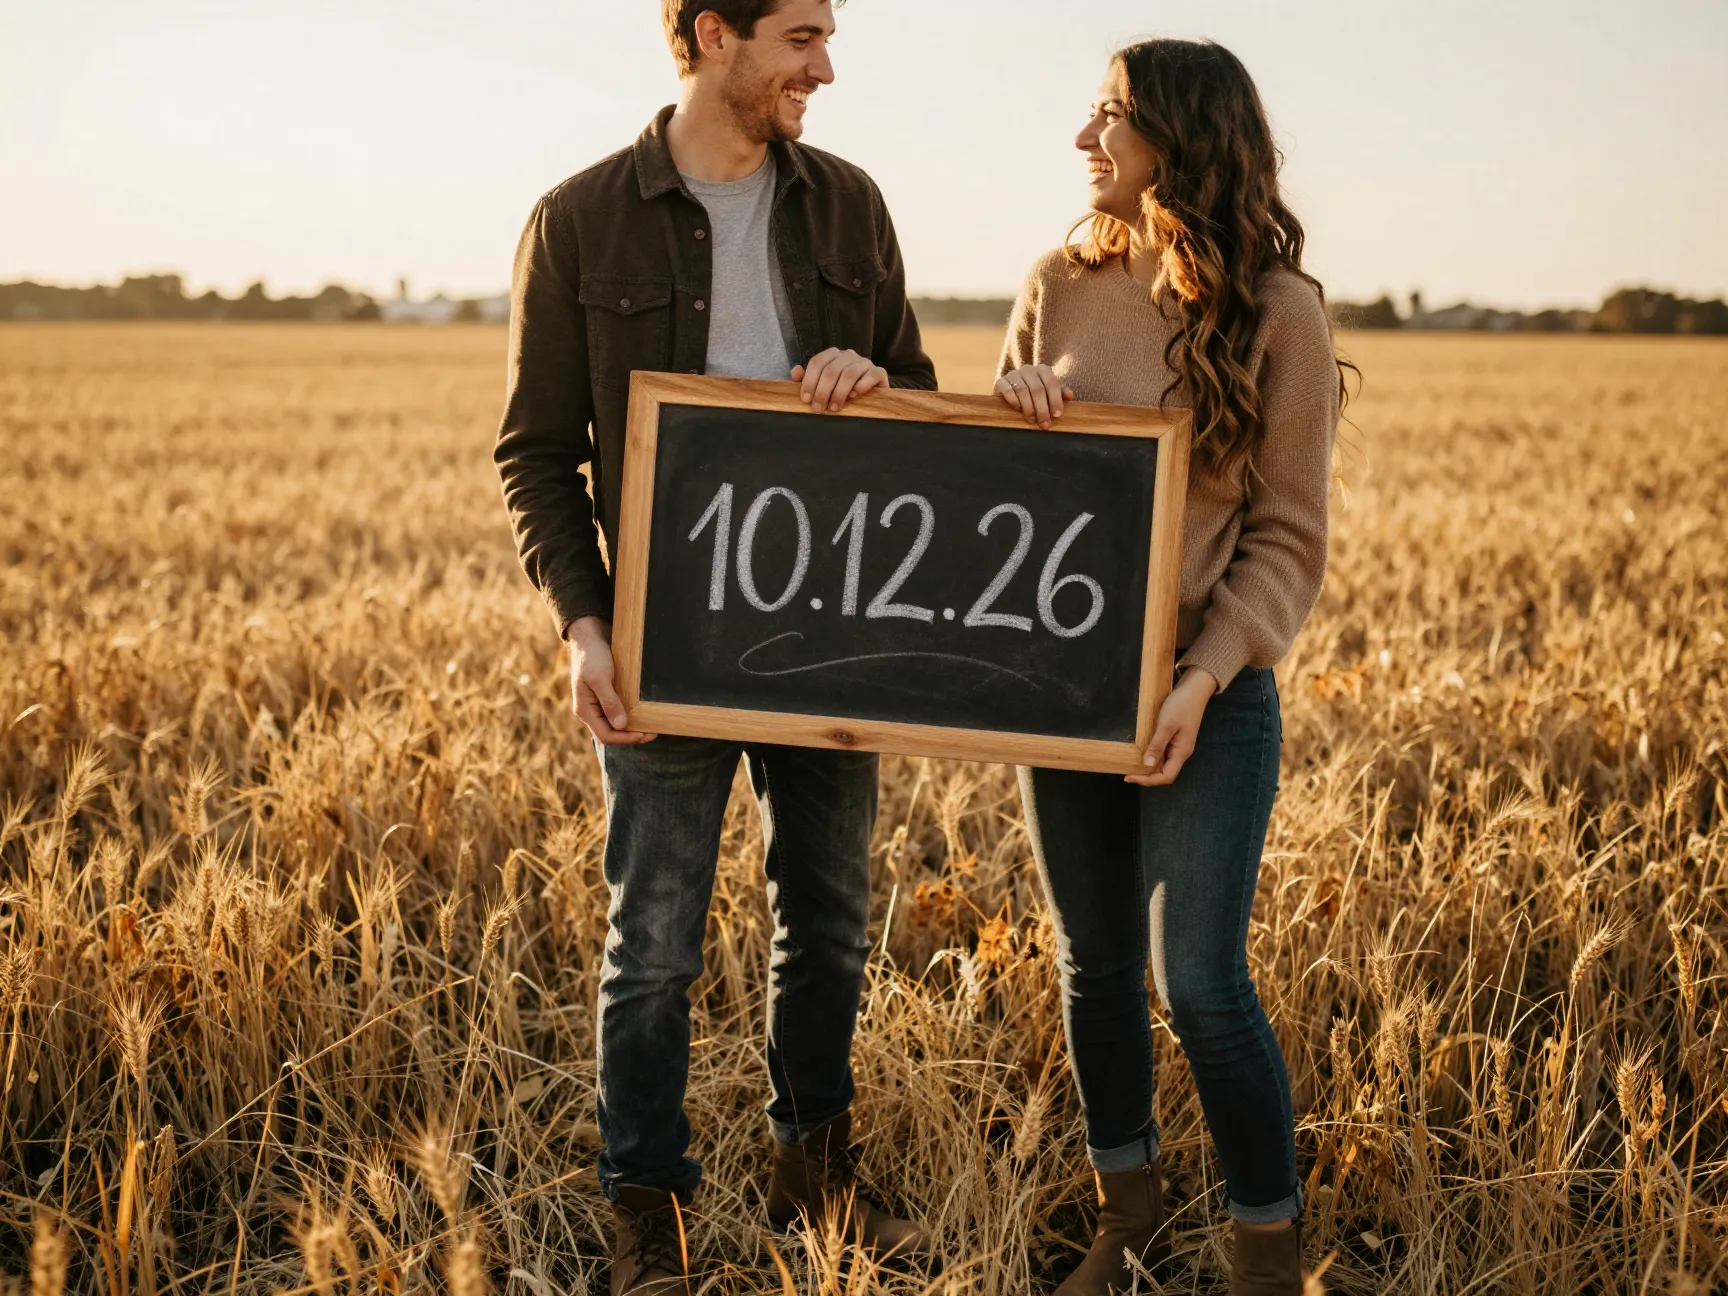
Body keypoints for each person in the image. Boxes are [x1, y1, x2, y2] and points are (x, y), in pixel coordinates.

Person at [493, 1, 937, 1291]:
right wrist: (586, 631)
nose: (826, 66)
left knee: (832, 925)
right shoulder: (580, 220)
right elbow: (536, 453)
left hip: (835, 642)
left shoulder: (850, 206)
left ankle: (821, 1181)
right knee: (655, 946)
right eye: (800, 36)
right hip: (664, 648)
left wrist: (875, 381)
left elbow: (918, 403)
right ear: (709, 34)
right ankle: (650, 1214)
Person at [994, 38, 1350, 1296]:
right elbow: (1004, 513)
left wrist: (1200, 682)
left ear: (1178, 140)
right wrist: (1019, 413)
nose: (1084, 141)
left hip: (1211, 694)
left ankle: (1267, 1242)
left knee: (1197, 980)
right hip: (1065, 690)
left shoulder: (1280, 311)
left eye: (1108, 118)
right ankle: (1127, 1212)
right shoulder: (1055, 280)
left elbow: (1289, 538)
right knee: (1093, 966)